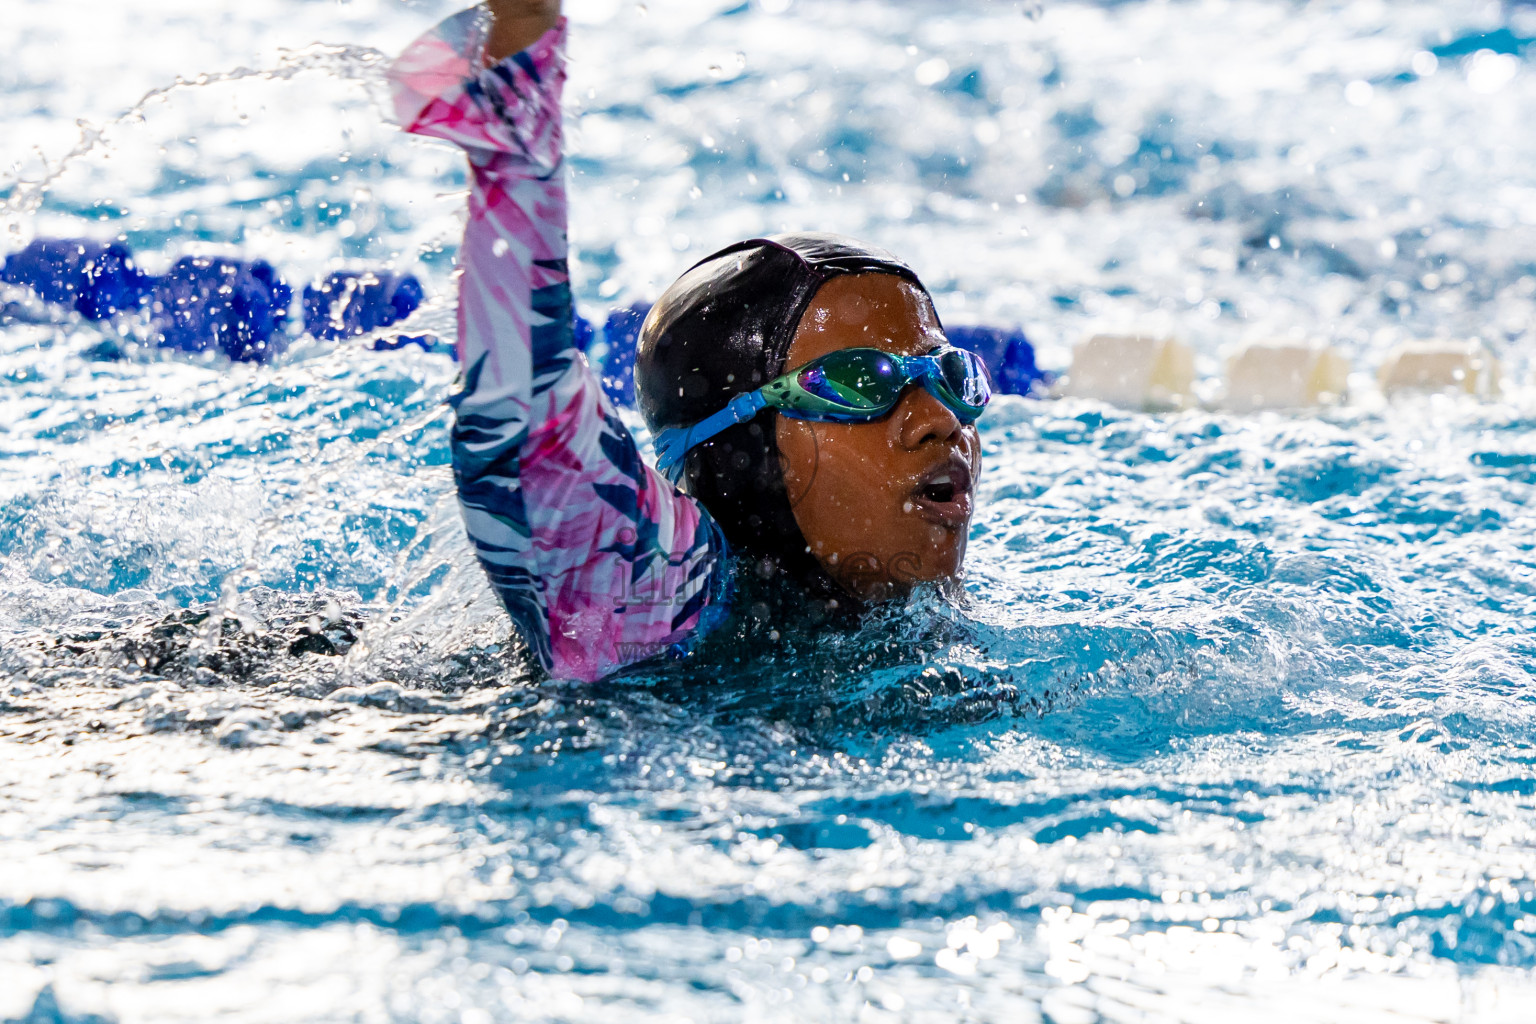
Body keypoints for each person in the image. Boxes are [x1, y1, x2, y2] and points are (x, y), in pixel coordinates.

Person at [387, 0, 989, 682]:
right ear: (742, 452)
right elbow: (522, 399)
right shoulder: (649, 596)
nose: (942, 422)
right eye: (862, 382)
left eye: (950, 377)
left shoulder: (918, 631)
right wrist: (521, 77)